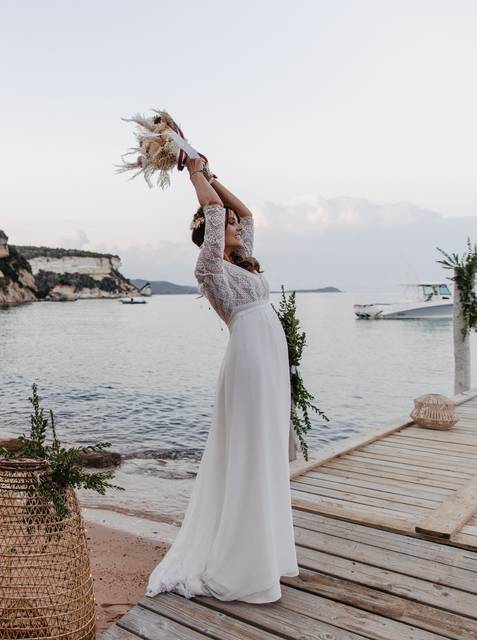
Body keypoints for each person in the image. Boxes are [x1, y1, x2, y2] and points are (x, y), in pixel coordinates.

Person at [146, 156, 298, 602]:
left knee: (265, 446)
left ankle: (265, 551)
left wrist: (214, 177)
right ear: (211, 234)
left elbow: (245, 213)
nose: (234, 225)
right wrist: (192, 170)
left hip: (268, 358)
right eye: (225, 225)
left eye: (231, 226)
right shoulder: (210, 267)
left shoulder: (243, 262)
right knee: (249, 448)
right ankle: (241, 562)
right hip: (249, 360)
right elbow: (216, 213)